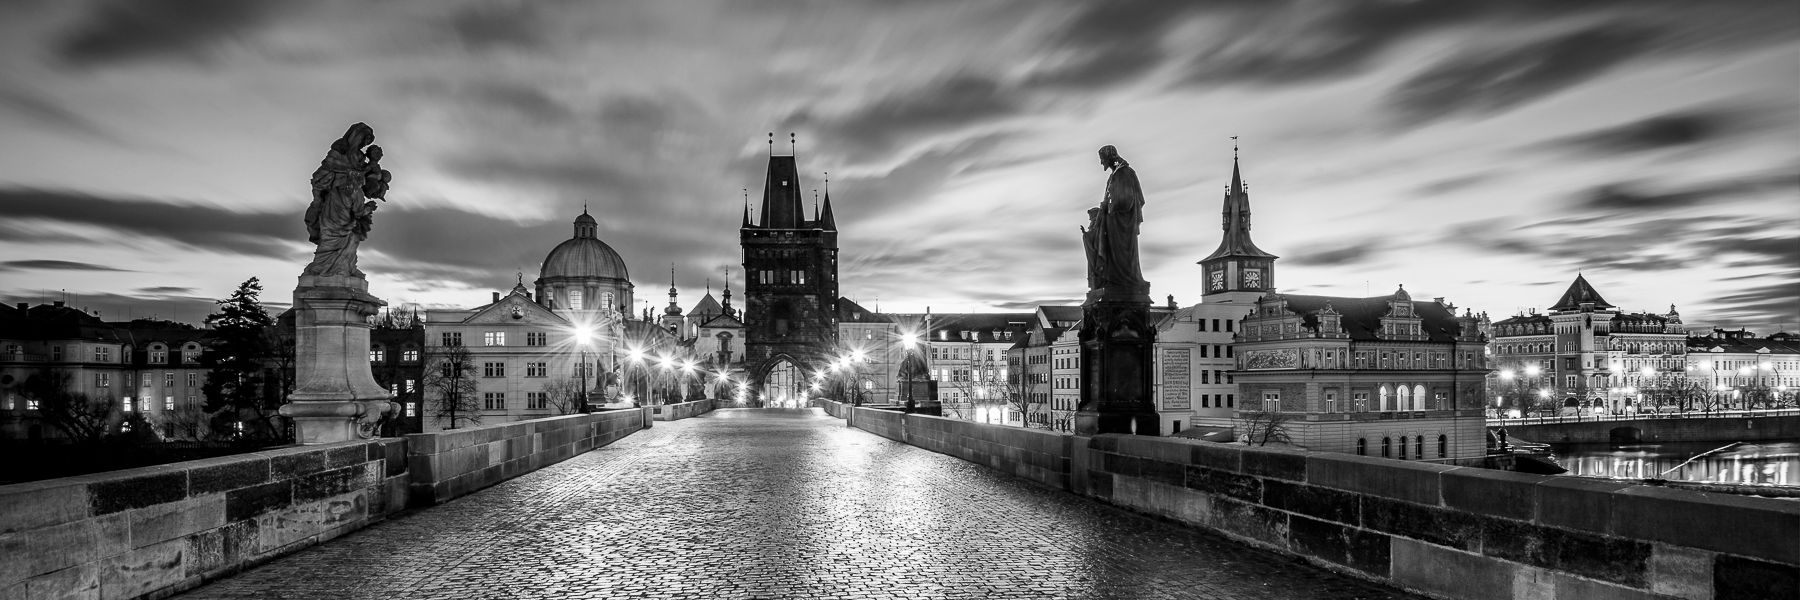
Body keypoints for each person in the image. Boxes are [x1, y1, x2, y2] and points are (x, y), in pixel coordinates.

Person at [303, 123, 381, 279]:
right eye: (363, 141)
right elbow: (322, 174)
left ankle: (344, 267)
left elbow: (362, 174)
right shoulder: (339, 152)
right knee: (332, 234)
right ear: (356, 137)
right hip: (335, 199)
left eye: (367, 144)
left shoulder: (359, 158)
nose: (364, 145)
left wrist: (372, 164)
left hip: (347, 199)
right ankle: (326, 268)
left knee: (350, 236)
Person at [1097, 145, 1147, 291]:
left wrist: (1109, 207)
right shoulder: (1115, 175)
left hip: (1122, 223)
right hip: (1114, 221)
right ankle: (1113, 278)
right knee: (1112, 254)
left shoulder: (1124, 173)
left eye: (1102, 159)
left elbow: (1127, 199)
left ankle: (1122, 280)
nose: (1101, 163)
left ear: (1109, 158)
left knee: (1122, 254)